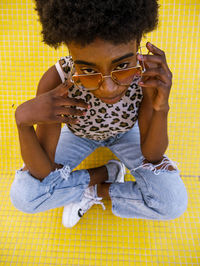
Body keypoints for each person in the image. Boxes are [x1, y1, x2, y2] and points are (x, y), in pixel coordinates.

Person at [10, 0, 188, 228]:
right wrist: (23, 124)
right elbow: (44, 172)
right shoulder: (58, 80)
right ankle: (106, 172)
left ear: (138, 44)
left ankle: (96, 190)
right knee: (25, 197)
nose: (108, 88)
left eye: (122, 66)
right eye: (89, 70)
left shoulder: (146, 77)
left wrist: (161, 107)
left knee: (172, 203)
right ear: (70, 51)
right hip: (79, 136)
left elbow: (152, 155)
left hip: (126, 133)